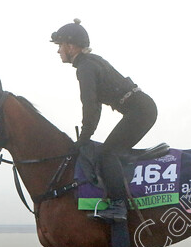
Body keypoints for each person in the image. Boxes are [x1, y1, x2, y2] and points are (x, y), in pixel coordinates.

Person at [51, 19, 157, 223]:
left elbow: (89, 106)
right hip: (142, 109)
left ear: (71, 47)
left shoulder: (85, 68)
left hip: (140, 112)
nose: (58, 51)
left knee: (107, 153)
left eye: (60, 46)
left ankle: (118, 206)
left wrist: (83, 138)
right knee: (109, 150)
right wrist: (86, 134)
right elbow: (95, 107)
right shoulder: (90, 62)